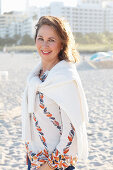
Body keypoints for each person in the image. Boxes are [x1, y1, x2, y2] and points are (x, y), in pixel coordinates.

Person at [21, 16, 89, 170]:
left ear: (62, 43)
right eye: (40, 38)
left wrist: (48, 166)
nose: (44, 45)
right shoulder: (35, 77)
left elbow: (70, 132)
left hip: (56, 165)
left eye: (51, 39)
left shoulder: (65, 79)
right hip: (35, 159)